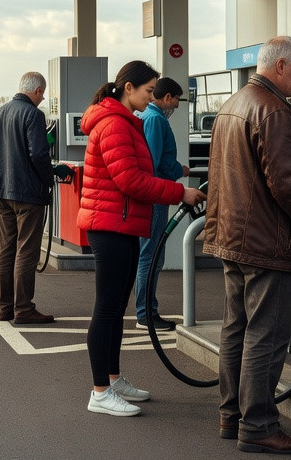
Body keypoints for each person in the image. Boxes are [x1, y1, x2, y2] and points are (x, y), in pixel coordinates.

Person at [204, 36, 291, 453]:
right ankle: (260, 425)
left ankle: (231, 417)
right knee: (265, 336)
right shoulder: (273, 112)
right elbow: (289, 186)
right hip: (267, 243)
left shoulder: (233, 104)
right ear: (280, 66)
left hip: (233, 238)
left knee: (237, 329)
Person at [78, 61, 206, 418]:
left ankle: (112, 379)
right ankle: (99, 391)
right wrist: (179, 192)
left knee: (116, 308)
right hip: (110, 225)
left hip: (121, 223)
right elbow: (130, 180)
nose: (153, 98)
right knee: (106, 309)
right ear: (128, 88)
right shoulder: (114, 124)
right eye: (149, 91)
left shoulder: (124, 121)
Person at [0, 71, 56, 326]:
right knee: (26, 251)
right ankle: (23, 309)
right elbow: (38, 154)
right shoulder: (33, 115)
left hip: (2, 190)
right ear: (37, 91)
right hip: (27, 193)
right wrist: (49, 179)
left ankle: (5, 308)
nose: (42, 99)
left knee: (6, 248)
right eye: (42, 94)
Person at [133, 76, 189, 331]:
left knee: (148, 254)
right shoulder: (155, 119)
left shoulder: (146, 117)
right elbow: (153, 163)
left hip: (151, 195)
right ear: (168, 97)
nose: (176, 107)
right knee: (151, 256)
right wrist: (176, 171)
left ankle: (145, 310)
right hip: (155, 197)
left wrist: (178, 169)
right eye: (176, 101)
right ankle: (146, 313)